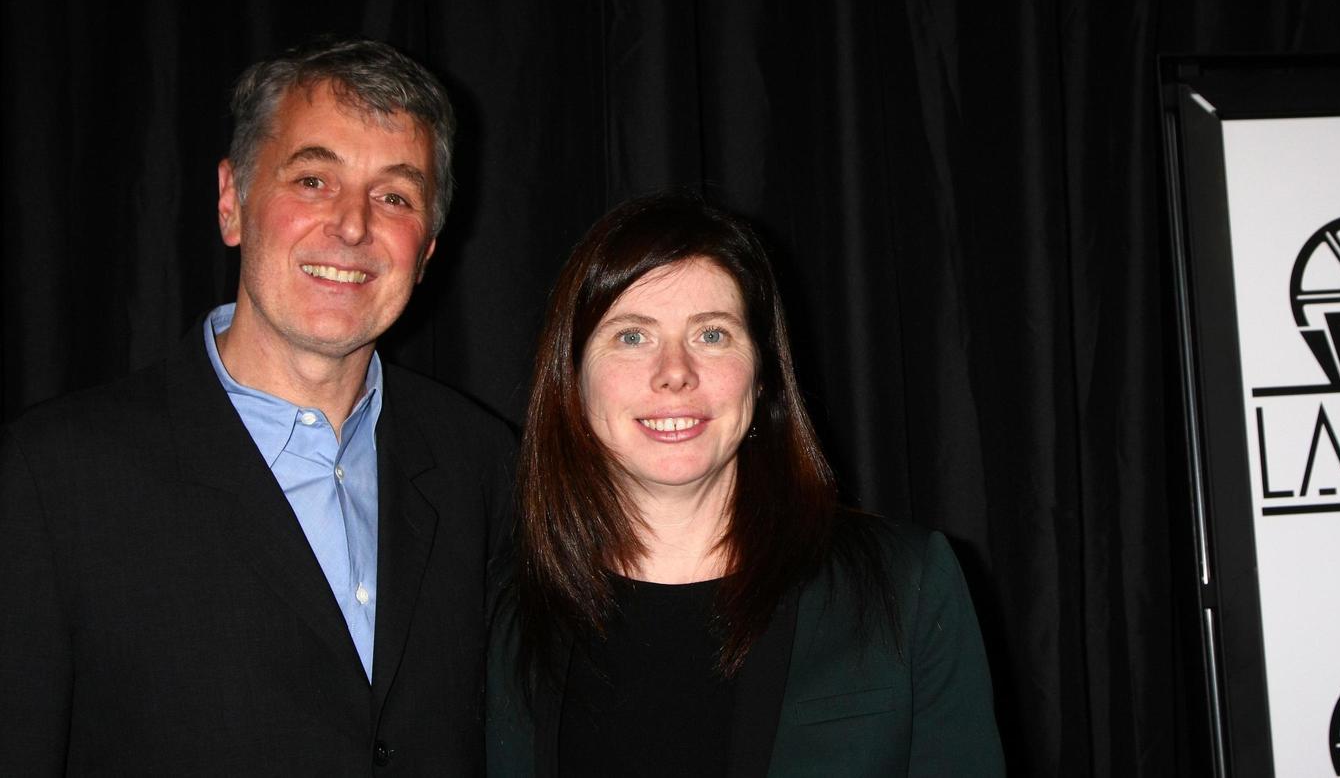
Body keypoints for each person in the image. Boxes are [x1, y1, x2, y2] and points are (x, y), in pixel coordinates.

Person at [0, 38, 515, 774]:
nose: (352, 225)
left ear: (428, 249)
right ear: (231, 202)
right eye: (312, 180)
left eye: (394, 196)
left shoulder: (483, 464)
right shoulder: (55, 480)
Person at [486, 193, 1004, 776]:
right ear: (573, 380)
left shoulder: (906, 586)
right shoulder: (500, 609)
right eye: (632, 336)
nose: (675, 373)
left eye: (712, 335)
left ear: (762, 376)